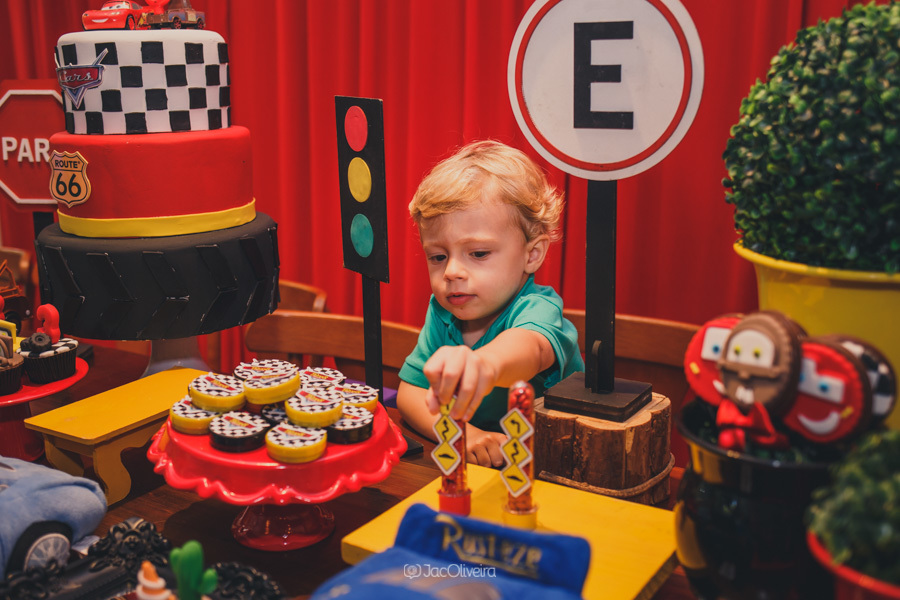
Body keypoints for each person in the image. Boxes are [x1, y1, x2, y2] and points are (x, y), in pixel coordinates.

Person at [397, 140, 584, 468]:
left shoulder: (538, 308)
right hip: (490, 474)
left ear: (532, 254)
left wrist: (484, 364)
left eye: (478, 253)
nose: (452, 271)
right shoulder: (443, 313)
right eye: (438, 256)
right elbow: (410, 395)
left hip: (560, 470)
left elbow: (530, 349)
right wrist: (464, 434)